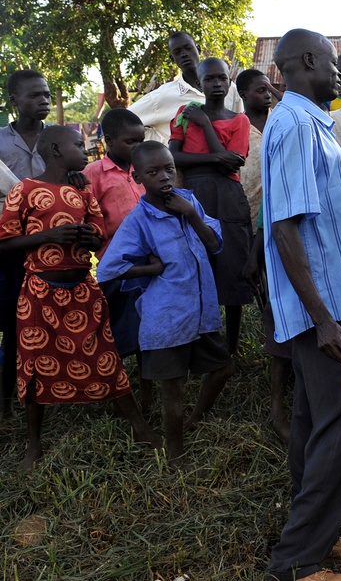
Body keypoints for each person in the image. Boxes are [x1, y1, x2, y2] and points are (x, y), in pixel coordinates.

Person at [262, 29, 341, 581]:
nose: (340, 72)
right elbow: (285, 230)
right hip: (328, 307)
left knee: (315, 423)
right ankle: (299, 562)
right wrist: (325, 319)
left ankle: (313, 538)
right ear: (309, 60)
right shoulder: (292, 126)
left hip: (339, 300)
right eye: (333, 63)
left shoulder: (313, 122)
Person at [0, 126, 159, 470]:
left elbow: (99, 233)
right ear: (56, 149)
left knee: (106, 355)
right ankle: (34, 443)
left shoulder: (81, 191)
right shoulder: (24, 190)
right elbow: (5, 241)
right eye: (78, 145)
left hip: (83, 291)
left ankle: (139, 427)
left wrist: (90, 236)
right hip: (40, 292)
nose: (86, 150)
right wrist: (50, 235)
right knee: (34, 365)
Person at [98, 141, 236, 467]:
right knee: (173, 389)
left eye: (169, 168)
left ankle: (195, 419)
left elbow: (215, 245)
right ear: (137, 177)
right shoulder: (139, 220)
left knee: (224, 368)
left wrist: (191, 215)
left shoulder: (188, 201)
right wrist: (151, 269)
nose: (164, 177)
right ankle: (175, 453)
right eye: (153, 171)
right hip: (167, 318)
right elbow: (108, 268)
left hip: (201, 313)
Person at [169, 57, 254, 355]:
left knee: (231, 264)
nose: (216, 84)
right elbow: (175, 158)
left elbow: (235, 161)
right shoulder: (184, 113)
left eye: (222, 78)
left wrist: (205, 125)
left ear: (229, 82)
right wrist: (218, 158)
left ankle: (231, 348)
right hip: (193, 195)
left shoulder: (239, 119)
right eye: (210, 79)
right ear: (199, 83)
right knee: (194, 263)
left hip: (228, 196)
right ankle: (197, 341)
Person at [83, 109, 147, 398]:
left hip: (150, 263)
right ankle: (118, 391)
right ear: (109, 141)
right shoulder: (93, 174)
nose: (137, 148)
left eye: (141, 141)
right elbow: (85, 214)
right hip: (117, 265)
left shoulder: (146, 169)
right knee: (118, 331)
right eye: (130, 142)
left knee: (146, 327)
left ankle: (147, 386)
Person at [0, 70, 52, 418]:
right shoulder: (1, 141)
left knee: (45, 317)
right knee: (9, 316)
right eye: (35, 96)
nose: (44, 101)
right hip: (9, 244)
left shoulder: (60, 138)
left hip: (48, 242)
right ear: (14, 101)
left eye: (47, 94)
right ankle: (6, 400)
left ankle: (47, 390)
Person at [128, 31, 242, 145]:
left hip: (224, 159)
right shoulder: (162, 96)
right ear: (172, 59)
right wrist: (160, 142)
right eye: (177, 52)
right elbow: (123, 122)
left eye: (188, 48)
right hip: (182, 160)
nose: (184, 54)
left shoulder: (229, 88)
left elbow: (239, 126)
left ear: (198, 49)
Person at [235, 68, 273, 230]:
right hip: (250, 215)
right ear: (243, 95)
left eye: (269, 89)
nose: (268, 94)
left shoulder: (280, 121)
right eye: (261, 90)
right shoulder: (236, 128)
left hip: (284, 212)